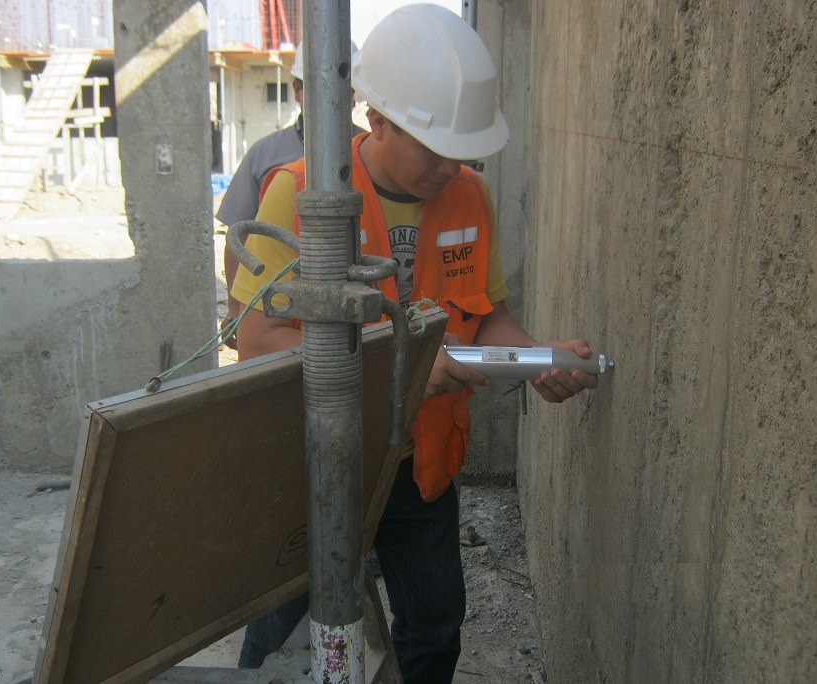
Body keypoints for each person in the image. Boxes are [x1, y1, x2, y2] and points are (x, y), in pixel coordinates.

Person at [232, 5, 599, 682]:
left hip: (422, 460)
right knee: (282, 634)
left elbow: (487, 318)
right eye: (435, 147)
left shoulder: (471, 198)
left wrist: (535, 358)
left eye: (464, 149)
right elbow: (256, 342)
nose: (450, 166)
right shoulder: (297, 197)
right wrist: (400, 370)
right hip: (318, 460)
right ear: (377, 120)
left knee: (434, 625)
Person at [215, 41, 358, 347]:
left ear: (354, 96)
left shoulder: (369, 155)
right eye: (317, 88)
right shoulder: (265, 155)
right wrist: (237, 310)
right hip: (281, 320)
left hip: (352, 315)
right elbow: (238, 240)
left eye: (343, 88)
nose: (331, 98)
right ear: (297, 90)